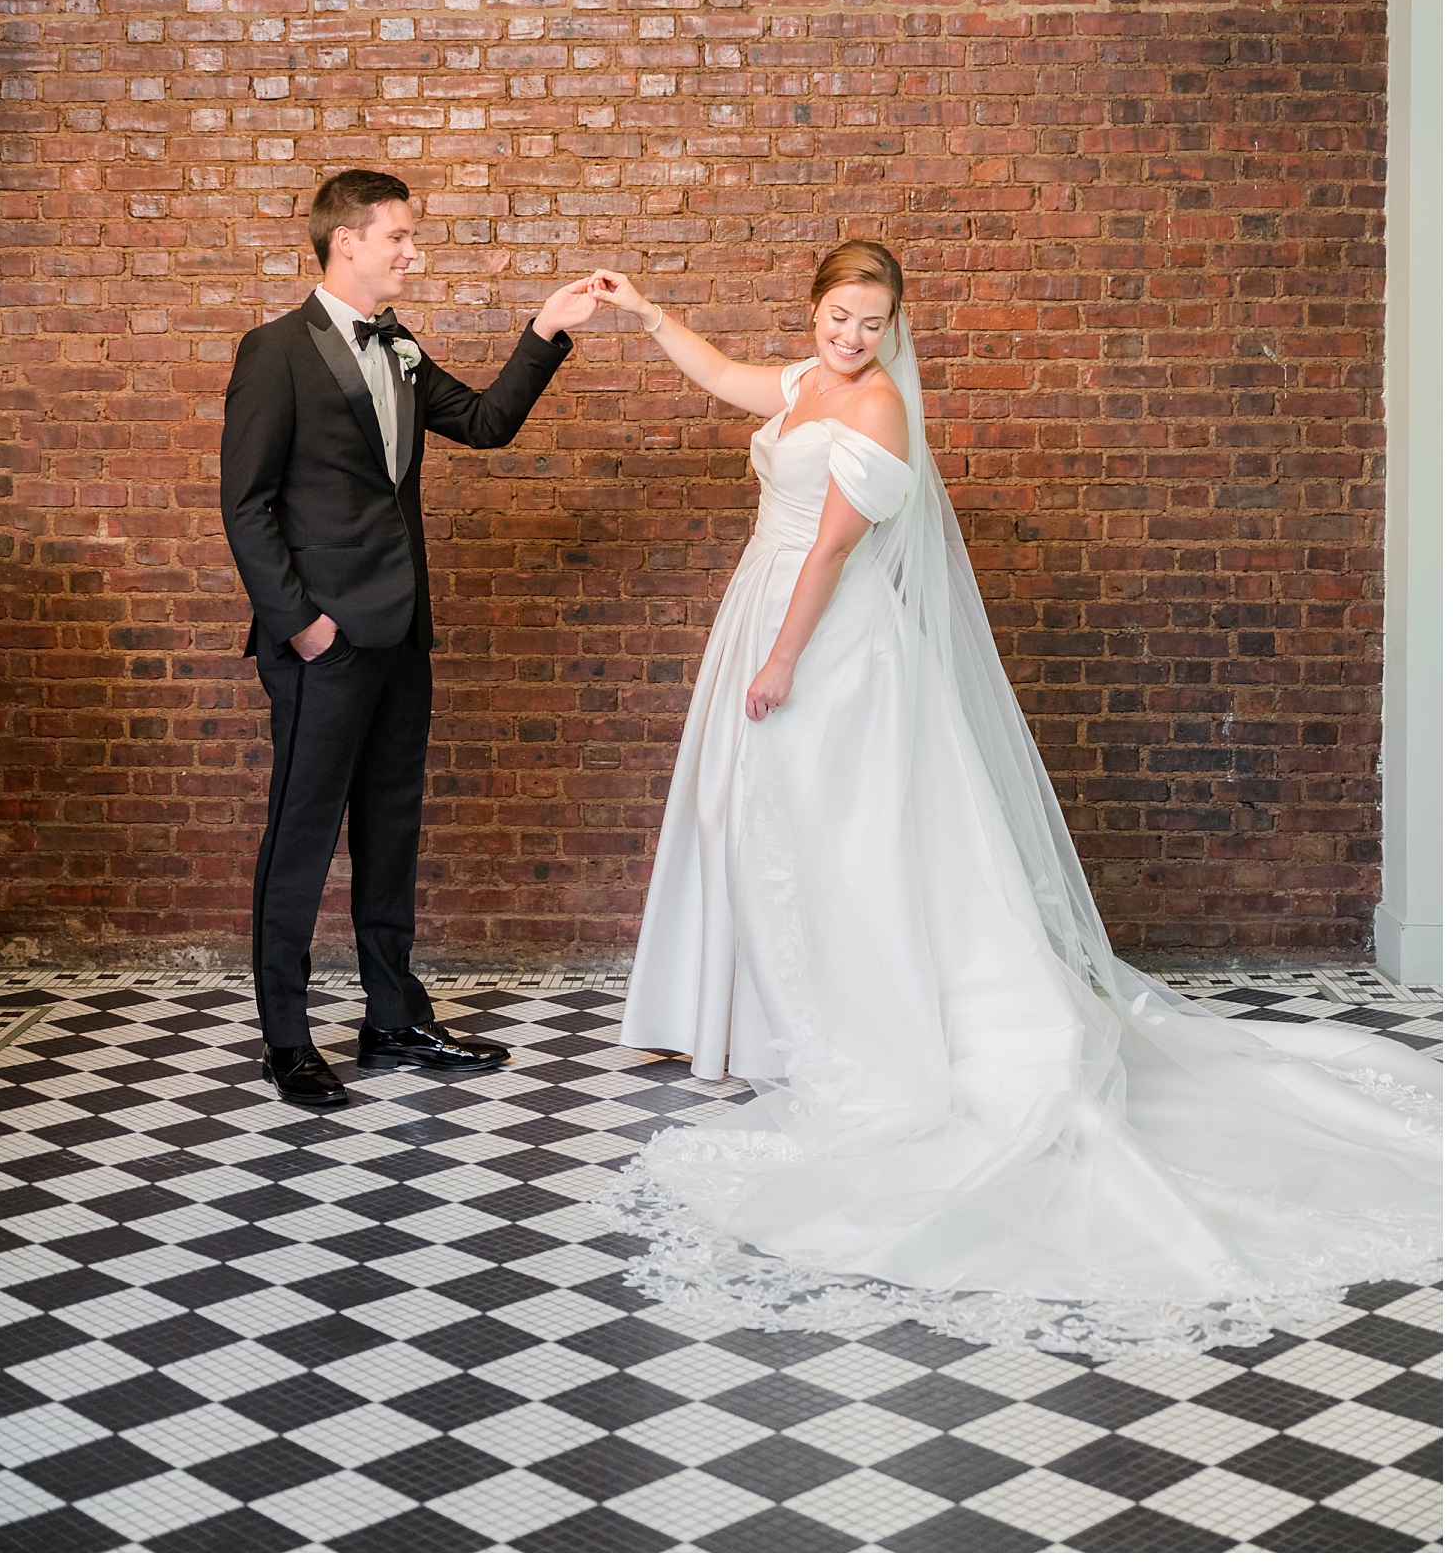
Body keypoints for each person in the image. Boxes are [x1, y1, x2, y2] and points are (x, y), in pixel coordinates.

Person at [589, 243, 1440, 1362]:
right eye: (838, 317)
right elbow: (724, 375)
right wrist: (645, 311)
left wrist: (784, 658)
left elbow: (832, 554)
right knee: (760, 828)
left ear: (890, 325)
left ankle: (868, 1025)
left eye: (869, 322)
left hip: (823, 640)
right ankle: (755, 1016)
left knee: (842, 845)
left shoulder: (880, 409)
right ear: (813, 311)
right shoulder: (803, 384)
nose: (850, 337)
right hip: (765, 613)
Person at [221, 169, 601, 1108]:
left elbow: (485, 423)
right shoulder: (275, 351)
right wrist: (302, 626)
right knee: (302, 838)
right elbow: (245, 506)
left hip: (402, 638)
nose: (412, 250)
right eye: (398, 235)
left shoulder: (399, 347)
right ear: (346, 240)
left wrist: (546, 330)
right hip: (323, 643)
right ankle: (285, 1039)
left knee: (391, 830)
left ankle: (392, 1018)